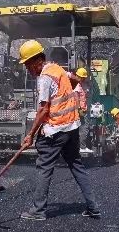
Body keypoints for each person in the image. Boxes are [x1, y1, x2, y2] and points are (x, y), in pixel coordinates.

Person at [17, 40, 100, 220]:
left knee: (44, 168)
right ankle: (93, 207)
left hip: (55, 130)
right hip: (72, 127)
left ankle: (38, 211)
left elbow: (43, 110)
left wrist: (30, 135)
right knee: (76, 165)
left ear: (37, 61)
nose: (26, 69)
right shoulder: (57, 69)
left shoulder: (45, 78)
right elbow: (75, 79)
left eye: (27, 64)